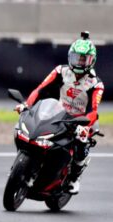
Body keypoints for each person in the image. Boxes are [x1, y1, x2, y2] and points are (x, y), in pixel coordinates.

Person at [15, 31, 104, 195]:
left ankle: (73, 178)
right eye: (76, 57)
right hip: (58, 112)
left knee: (82, 139)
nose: (79, 61)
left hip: (81, 119)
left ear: (92, 60)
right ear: (70, 56)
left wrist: (85, 125)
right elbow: (40, 90)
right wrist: (26, 105)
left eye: (83, 59)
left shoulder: (96, 84)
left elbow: (93, 111)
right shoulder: (60, 71)